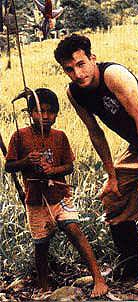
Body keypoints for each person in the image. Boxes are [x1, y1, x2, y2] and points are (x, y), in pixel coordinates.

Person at [54, 34, 138, 292]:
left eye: (81, 64)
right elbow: (95, 132)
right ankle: (130, 268)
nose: (78, 73)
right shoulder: (75, 92)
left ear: (92, 59)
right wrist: (112, 175)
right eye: (69, 69)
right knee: (113, 196)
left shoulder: (114, 75)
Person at [5, 88, 108, 299]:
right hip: (35, 200)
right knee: (41, 245)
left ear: (57, 114)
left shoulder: (60, 137)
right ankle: (44, 285)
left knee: (75, 231)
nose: (44, 116)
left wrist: (53, 171)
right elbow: (9, 166)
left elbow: (69, 166)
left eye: (50, 112)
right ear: (30, 112)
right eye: (39, 111)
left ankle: (98, 278)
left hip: (60, 196)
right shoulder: (19, 136)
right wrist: (26, 162)